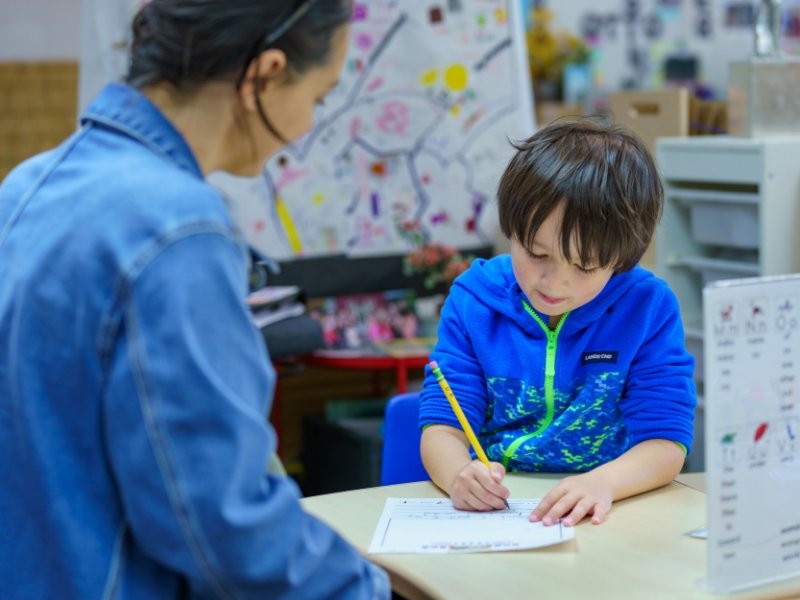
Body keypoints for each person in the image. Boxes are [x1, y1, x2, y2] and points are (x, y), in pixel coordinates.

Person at [0, 1, 389, 598]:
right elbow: (221, 522)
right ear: (267, 74)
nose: (309, 126)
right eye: (318, 97)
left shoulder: (29, 185)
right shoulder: (180, 229)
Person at [419, 119, 696, 528]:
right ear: (512, 231)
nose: (554, 283)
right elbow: (443, 426)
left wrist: (602, 483)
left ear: (621, 259)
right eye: (536, 252)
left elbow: (666, 441)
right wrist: (459, 475)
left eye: (584, 266)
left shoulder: (646, 309)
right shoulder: (474, 300)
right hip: (499, 513)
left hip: (608, 509)